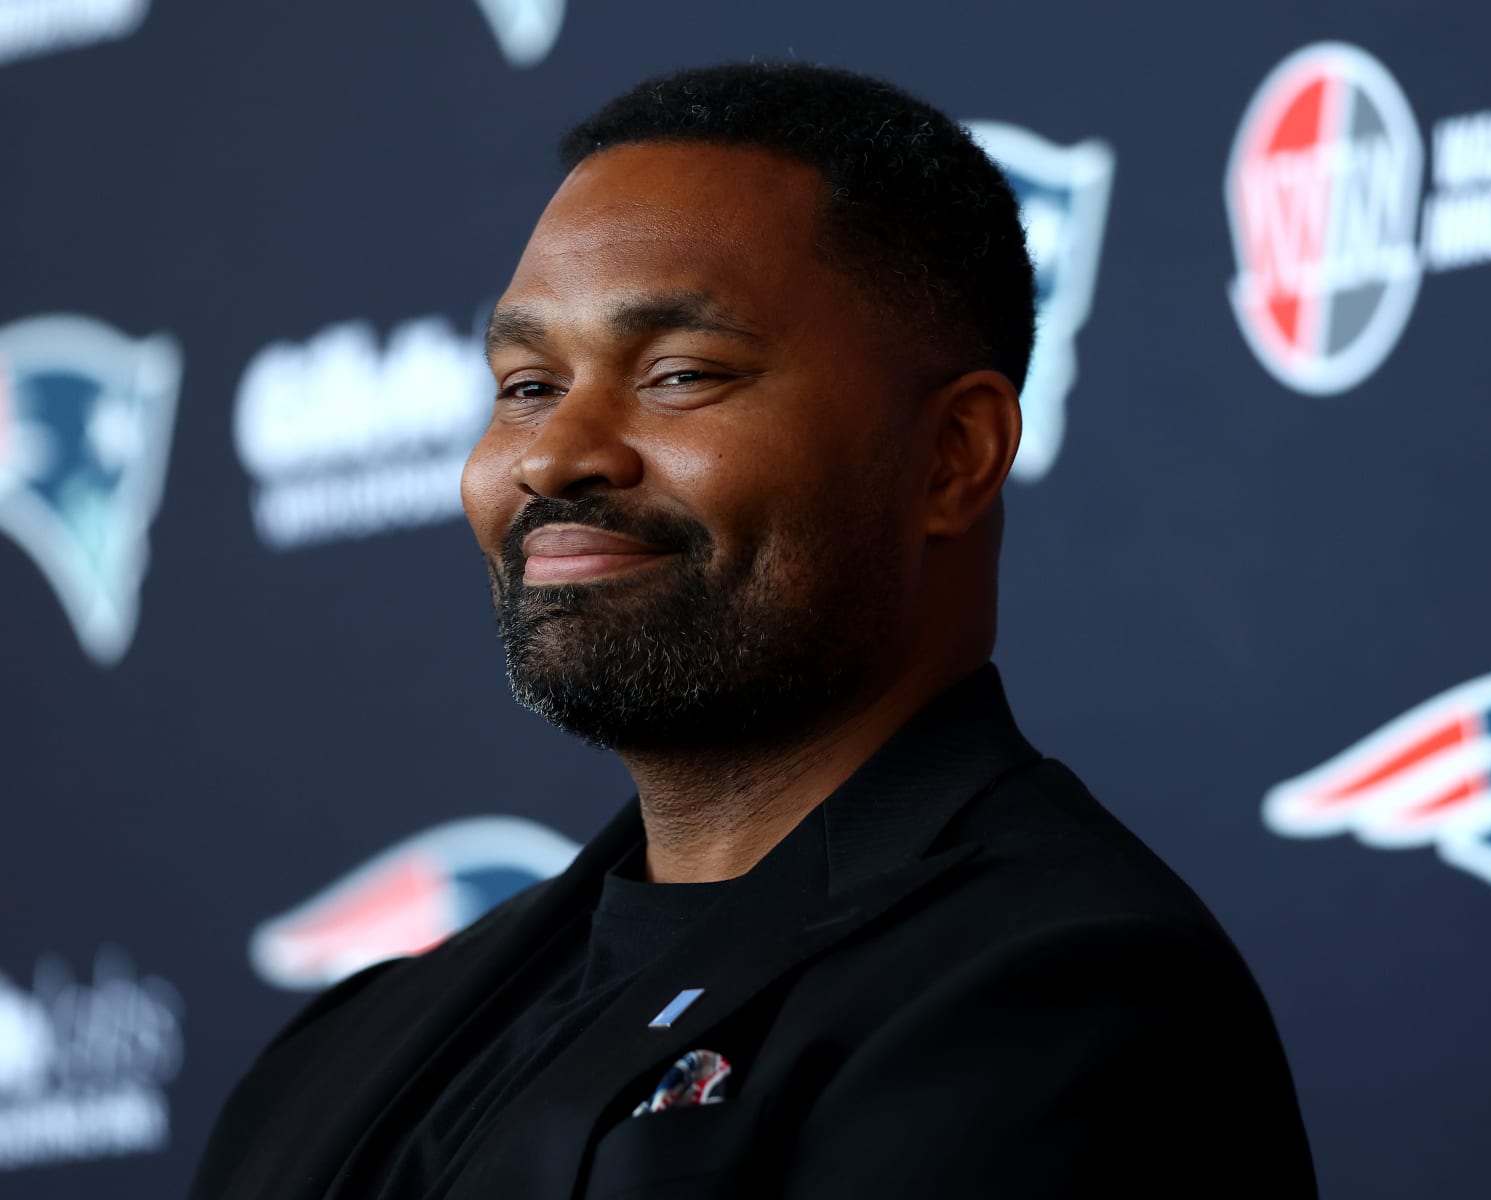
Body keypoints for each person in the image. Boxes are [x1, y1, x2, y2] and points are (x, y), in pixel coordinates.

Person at [191, 61, 1316, 1199]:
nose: (553, 455)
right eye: (526, 385)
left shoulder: (1062, 995)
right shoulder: (350, 1050)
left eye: (679, 375)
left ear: (954, 456)